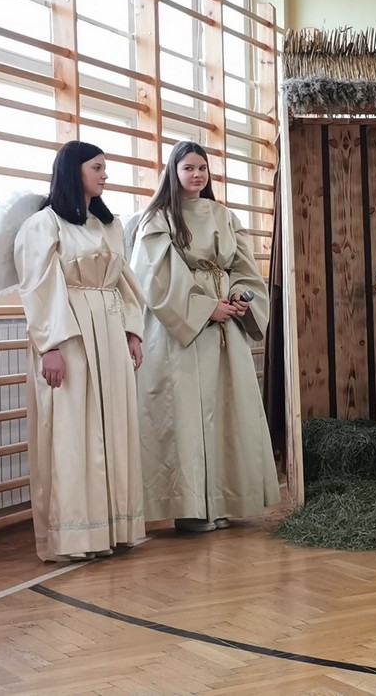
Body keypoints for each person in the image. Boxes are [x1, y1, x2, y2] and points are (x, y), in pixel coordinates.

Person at [130, 141, 280, 532]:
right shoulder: (158, 218)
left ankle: (224, 500)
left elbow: (244, 268)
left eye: (202, 168)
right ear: (173, 172)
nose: (197, 175)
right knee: (185, 415)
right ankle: (191, 508)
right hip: (180, 331)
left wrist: (239, 297)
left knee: (226, 412)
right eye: (188, 168)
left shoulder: (224, 216)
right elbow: (155, 276)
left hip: (224, 326)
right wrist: (204, 308)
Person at [13, 141, 147, 562]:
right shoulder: (44, 224)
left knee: (114, 427)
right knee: (74, 431)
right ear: (75, 170)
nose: (105, 175)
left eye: (105, 168)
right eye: (98, 168)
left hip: (109, 329)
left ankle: (112, 528)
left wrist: (133, 331)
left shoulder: (110, 224)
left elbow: (124, 280)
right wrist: (49, 346)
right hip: (69, 333)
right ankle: (75, 536)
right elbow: (38, 287)